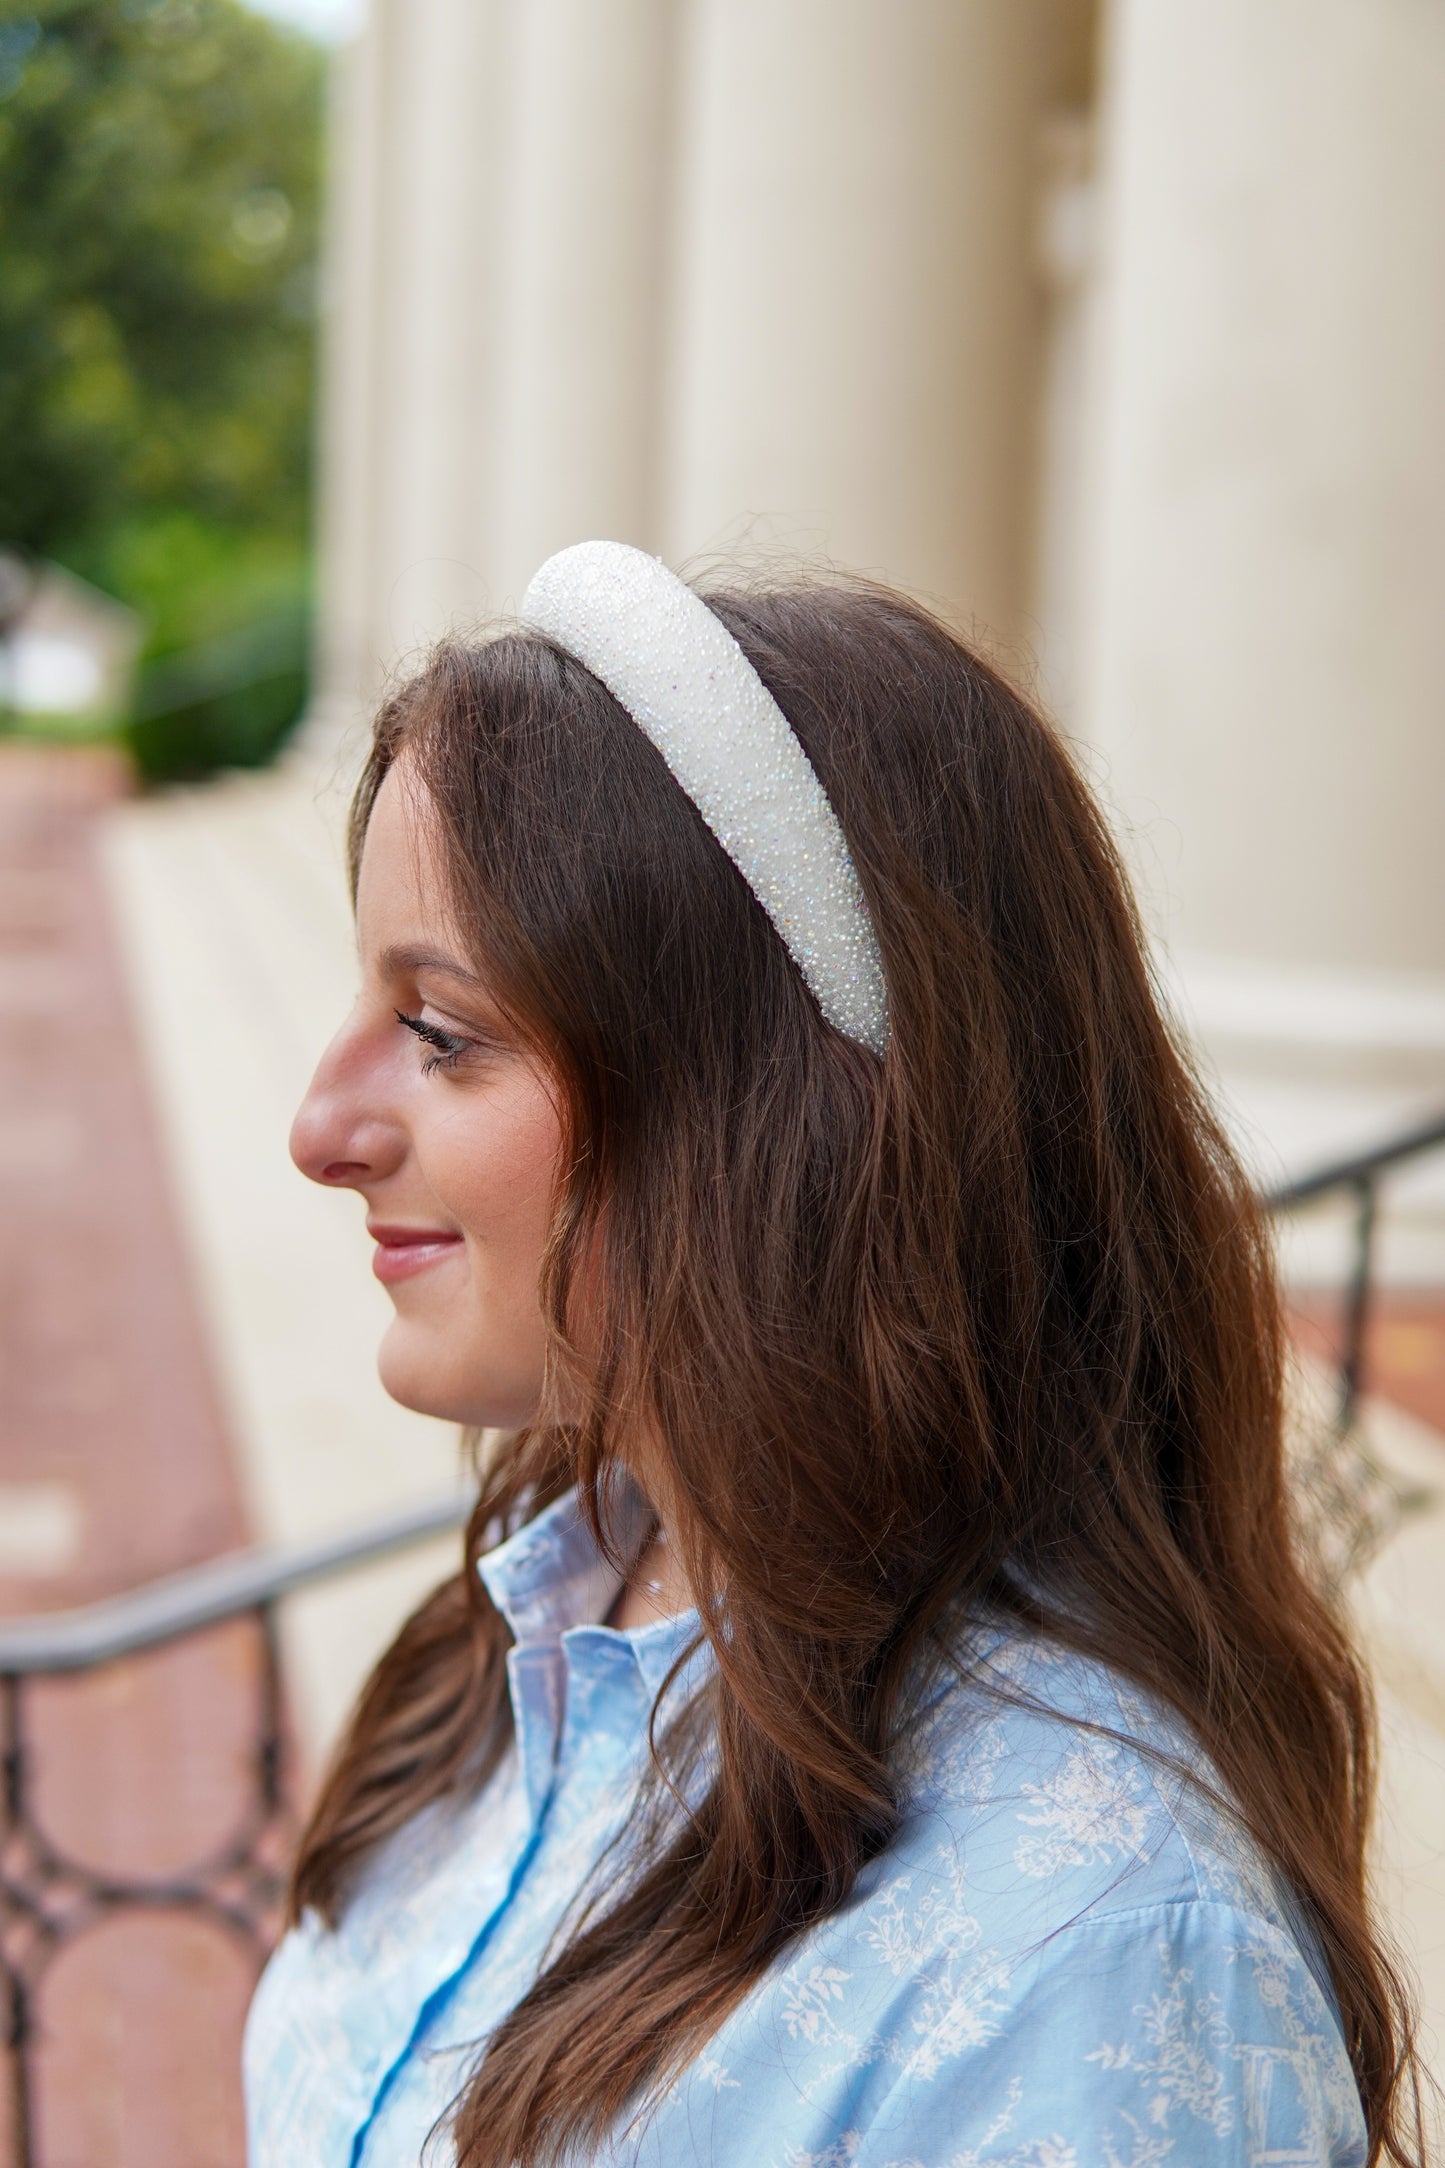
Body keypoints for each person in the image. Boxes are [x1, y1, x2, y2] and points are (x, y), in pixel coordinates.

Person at [246, 543, 1421, 2168]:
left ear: (777, 1120)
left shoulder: (1093, 1960)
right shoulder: (553, 1615)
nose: (320, 1129)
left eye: (444, 1035)